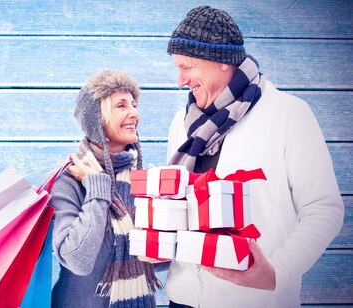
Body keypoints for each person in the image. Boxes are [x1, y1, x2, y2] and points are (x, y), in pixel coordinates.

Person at [162, 5, 344, 308]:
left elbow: (324, 210)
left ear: (222, 61)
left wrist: (276, 273)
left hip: (255, 300)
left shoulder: (288, 114)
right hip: (182, 300)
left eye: (187, 66)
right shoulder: (182, 122)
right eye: (177, 67)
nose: (180, 79)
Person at [50, 70, 162, 307]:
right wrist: (98, 188)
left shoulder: (142, 180)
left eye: (133, 104)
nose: (134, 113)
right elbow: (77, 260)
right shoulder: (69, 182)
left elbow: (156, 262)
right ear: (97, 120)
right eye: (121, 106)